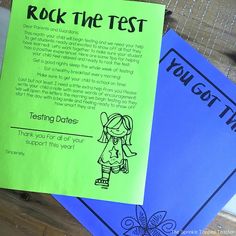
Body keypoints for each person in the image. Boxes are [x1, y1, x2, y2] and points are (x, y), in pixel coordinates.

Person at [95, 112, 137, 187]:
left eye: (120, 129)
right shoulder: (109, 137)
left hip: (117, 158)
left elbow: (124, 147)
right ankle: (105, 179)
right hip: (107, 156)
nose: (117, 131)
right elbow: (105, 127)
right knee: (105, 167)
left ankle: (123, 165)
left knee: (115, 171)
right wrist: (105, 126)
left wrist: (129, 153)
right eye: (113, 128)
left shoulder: (122, 140)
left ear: (127, 131)